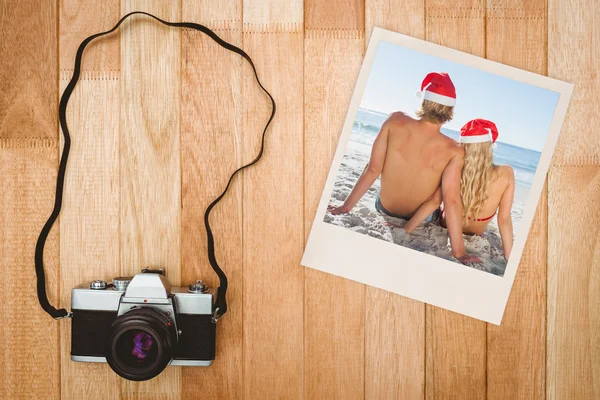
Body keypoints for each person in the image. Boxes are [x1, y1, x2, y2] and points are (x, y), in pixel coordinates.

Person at [328, 72, 480, 264]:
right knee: (443, 200)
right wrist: (459, 252)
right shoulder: (455, 150)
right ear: (450, 111)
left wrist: (345, 207)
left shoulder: (394, 121)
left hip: (384, 207)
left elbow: (373, 169)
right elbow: (450, 201)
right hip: (420, 219)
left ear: (425, 101)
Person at [406, 119, 515, 260]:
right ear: (489, 147)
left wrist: (407, 228)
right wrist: (509, 257)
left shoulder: (455, 168)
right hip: (476, 233)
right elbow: (504, 219)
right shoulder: (506, 174)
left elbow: (435, 201)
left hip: (445, 224)